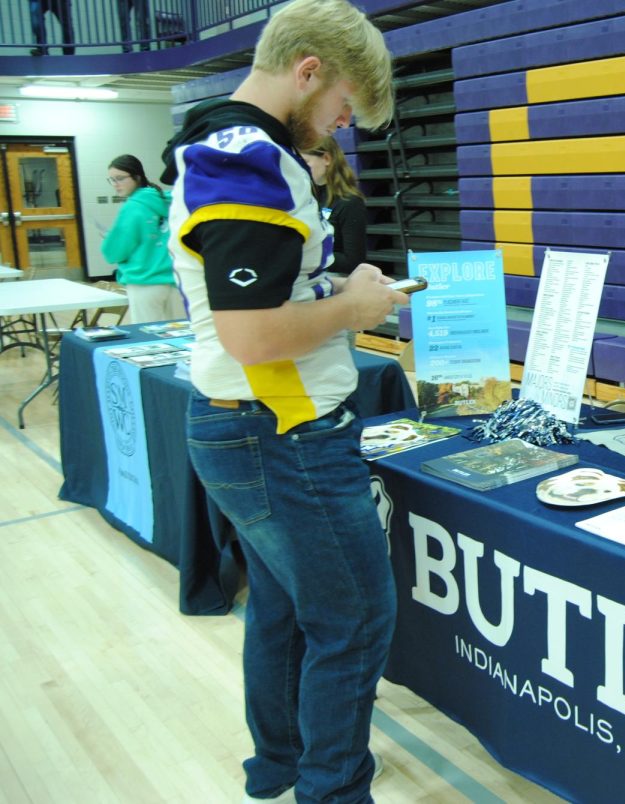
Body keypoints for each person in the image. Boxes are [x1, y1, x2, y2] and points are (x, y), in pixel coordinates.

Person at [158, 0, 400, 801]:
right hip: (281, 432)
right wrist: (356, 309)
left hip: (258, 428)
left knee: (285, 614)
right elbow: (254, 335)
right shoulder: (248, 158)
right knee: (356, 623)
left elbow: (272, 287)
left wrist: (335, 284)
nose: (335, 128)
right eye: (338, 108)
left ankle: (283, 767)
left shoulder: (221, 143)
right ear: (308, 72)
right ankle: (331, 790)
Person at [100, 154, 185, 324]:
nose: (115, 184)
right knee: (180, 335)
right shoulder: (170, 201)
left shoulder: (133, 207)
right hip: (176, 280)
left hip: (145, 282)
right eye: (111, 180)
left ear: (137, 177)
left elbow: (113, 253)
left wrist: (110, 240)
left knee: (148, 338)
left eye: (120, 178)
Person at [302, 136, 367, 274]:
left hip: (335, 283)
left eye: (306, 162)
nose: (301, 169)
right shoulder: (305, 197)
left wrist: (305, 254)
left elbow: (353, 262)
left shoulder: (350, 202)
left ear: (326, 159)